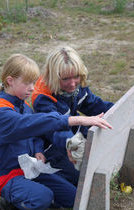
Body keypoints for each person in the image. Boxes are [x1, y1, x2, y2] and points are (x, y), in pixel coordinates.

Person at [0, 53, 112, 210]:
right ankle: (12, 205)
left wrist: (37, 149)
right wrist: (78, 119)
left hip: (30, 167)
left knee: (73, 199)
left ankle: (32, 192)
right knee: (43, 197)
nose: (32, 88)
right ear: (10, 81)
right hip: (6, 175)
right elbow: (31, 123)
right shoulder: (0, 112)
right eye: (27, 83)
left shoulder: (23, 105)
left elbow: (35, 131)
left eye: (34, 82)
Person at [31, 46, 114, 185]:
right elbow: (56, 130)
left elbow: (93, 104)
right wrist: (71, 144)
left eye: (76, 76)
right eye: (66, 79)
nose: (73, 83)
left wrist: (121, 108)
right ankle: (44, 180)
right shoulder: (43, 99)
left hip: (73, 135)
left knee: (99, 165)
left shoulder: (75, 87)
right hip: (52, 146)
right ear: (54, 77)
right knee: (83, 177)